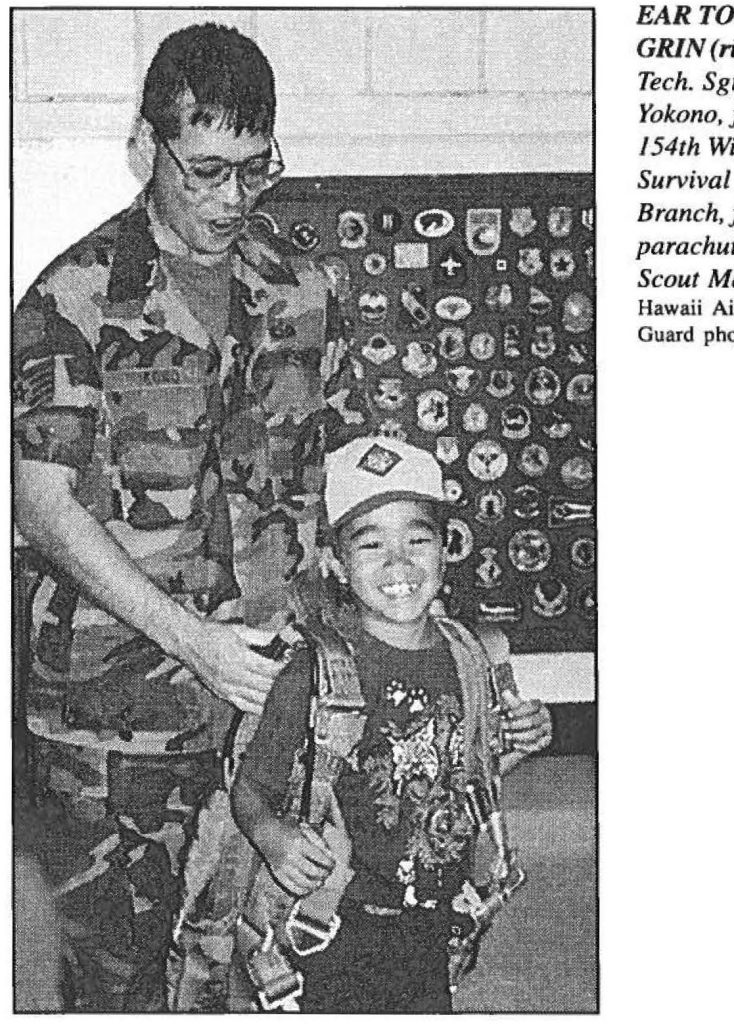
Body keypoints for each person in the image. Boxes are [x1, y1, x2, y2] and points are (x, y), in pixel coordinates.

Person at [12, 22, 350, 1011]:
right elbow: (39, 504)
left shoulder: (300, 290)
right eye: (202, 170)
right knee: (121, 975)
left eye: (254, 170)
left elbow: (321, 483)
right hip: (115, 718)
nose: (229, 200)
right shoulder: (71, 300)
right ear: (142, 148)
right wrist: (192, 641)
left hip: (268, 695)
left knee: (249, 954)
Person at [231, 436, 552, 1012]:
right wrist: (274, 839)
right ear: (336, 563)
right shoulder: (315, 671)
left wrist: (521, 742)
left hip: (435, 921)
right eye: (371, 543)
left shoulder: (468, 656)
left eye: (418, 539)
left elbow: (462, 769)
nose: (399, 562)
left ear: (446, 549)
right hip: (335, 928)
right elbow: (250, 788)